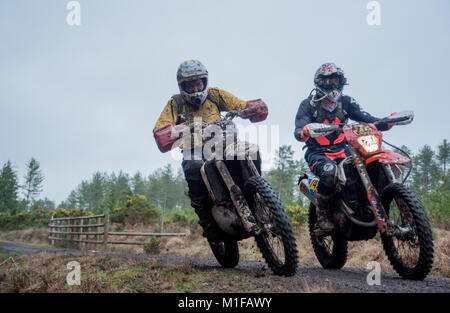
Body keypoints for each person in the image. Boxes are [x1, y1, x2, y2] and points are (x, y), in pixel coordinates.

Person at [153, 59, 261, 243]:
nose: (195, 88)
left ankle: (259, 192)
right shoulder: (175, 103)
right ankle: (208, 222)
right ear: (183, 86)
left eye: (198, 82)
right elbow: (161, 128)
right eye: (190, 84)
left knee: (250, 151)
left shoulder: (215, 95)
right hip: (193, 148)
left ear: (204, 81)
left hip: (222, 142)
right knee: (193, 167)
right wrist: (173, 131)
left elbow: (238, 104)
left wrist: (248, 109)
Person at [294, 62, 390, 232]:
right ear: (319, 82)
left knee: (369, 164)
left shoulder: (346, 101)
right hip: (317, 153)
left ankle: (369, 204)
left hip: (344, 149)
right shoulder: (308, 104)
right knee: (330, 172)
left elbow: (365, 117)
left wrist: (384, 122)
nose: (332, 85)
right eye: (327, 81)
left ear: (342, 82)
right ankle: (322, 213)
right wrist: (304, 131)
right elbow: (298, 130)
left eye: (336, 81)